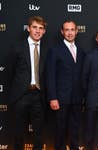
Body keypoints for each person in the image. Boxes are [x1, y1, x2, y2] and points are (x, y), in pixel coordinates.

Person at [9, 16, 48, 150]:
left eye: (41, 28)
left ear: (44, 31)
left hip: (39, 96)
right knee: (19, 132)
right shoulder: (17, 47)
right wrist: (16, 93)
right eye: (35, 27)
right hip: (21, 96)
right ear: (28, 29)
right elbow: (10, 72)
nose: (37, 31)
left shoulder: (47, 49)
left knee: (39, 133)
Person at [46, 20, 85, 150]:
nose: (69, 33)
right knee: (60, 130)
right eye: (67, 30)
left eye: (72, 29)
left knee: (75, 130)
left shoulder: (81, 51)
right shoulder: (55, 50)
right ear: (62, 32)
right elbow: (50, 75)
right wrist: (52, 97)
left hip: (77, 99)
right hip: (60, 99)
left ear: (76, 31)